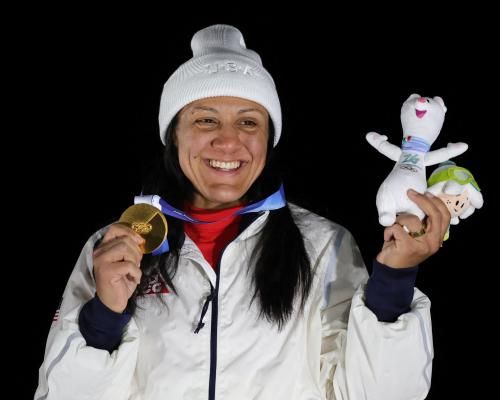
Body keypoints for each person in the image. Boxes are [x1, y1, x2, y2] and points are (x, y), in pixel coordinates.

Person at [35, 24, 450, 400]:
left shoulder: (325, 246)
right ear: (173, 135)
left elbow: (381, 395)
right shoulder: (115, 248)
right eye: (206, 120)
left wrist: (394, 280)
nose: (229, 142)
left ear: (268, 138)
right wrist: (105, 316)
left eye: (249, 123)